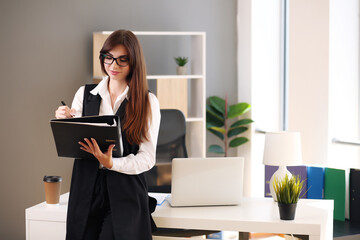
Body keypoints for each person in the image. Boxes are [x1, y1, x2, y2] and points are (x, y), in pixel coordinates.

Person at [55, 29, 160, 240]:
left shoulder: (148, 102)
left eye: (122, 60)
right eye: (109, 58)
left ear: (134, 63)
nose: (113, 66)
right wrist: (64, 120)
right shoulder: (85, 94)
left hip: (125, 191)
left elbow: (147, 158)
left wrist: (113, 163)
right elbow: (73, 139)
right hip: (86, 187)